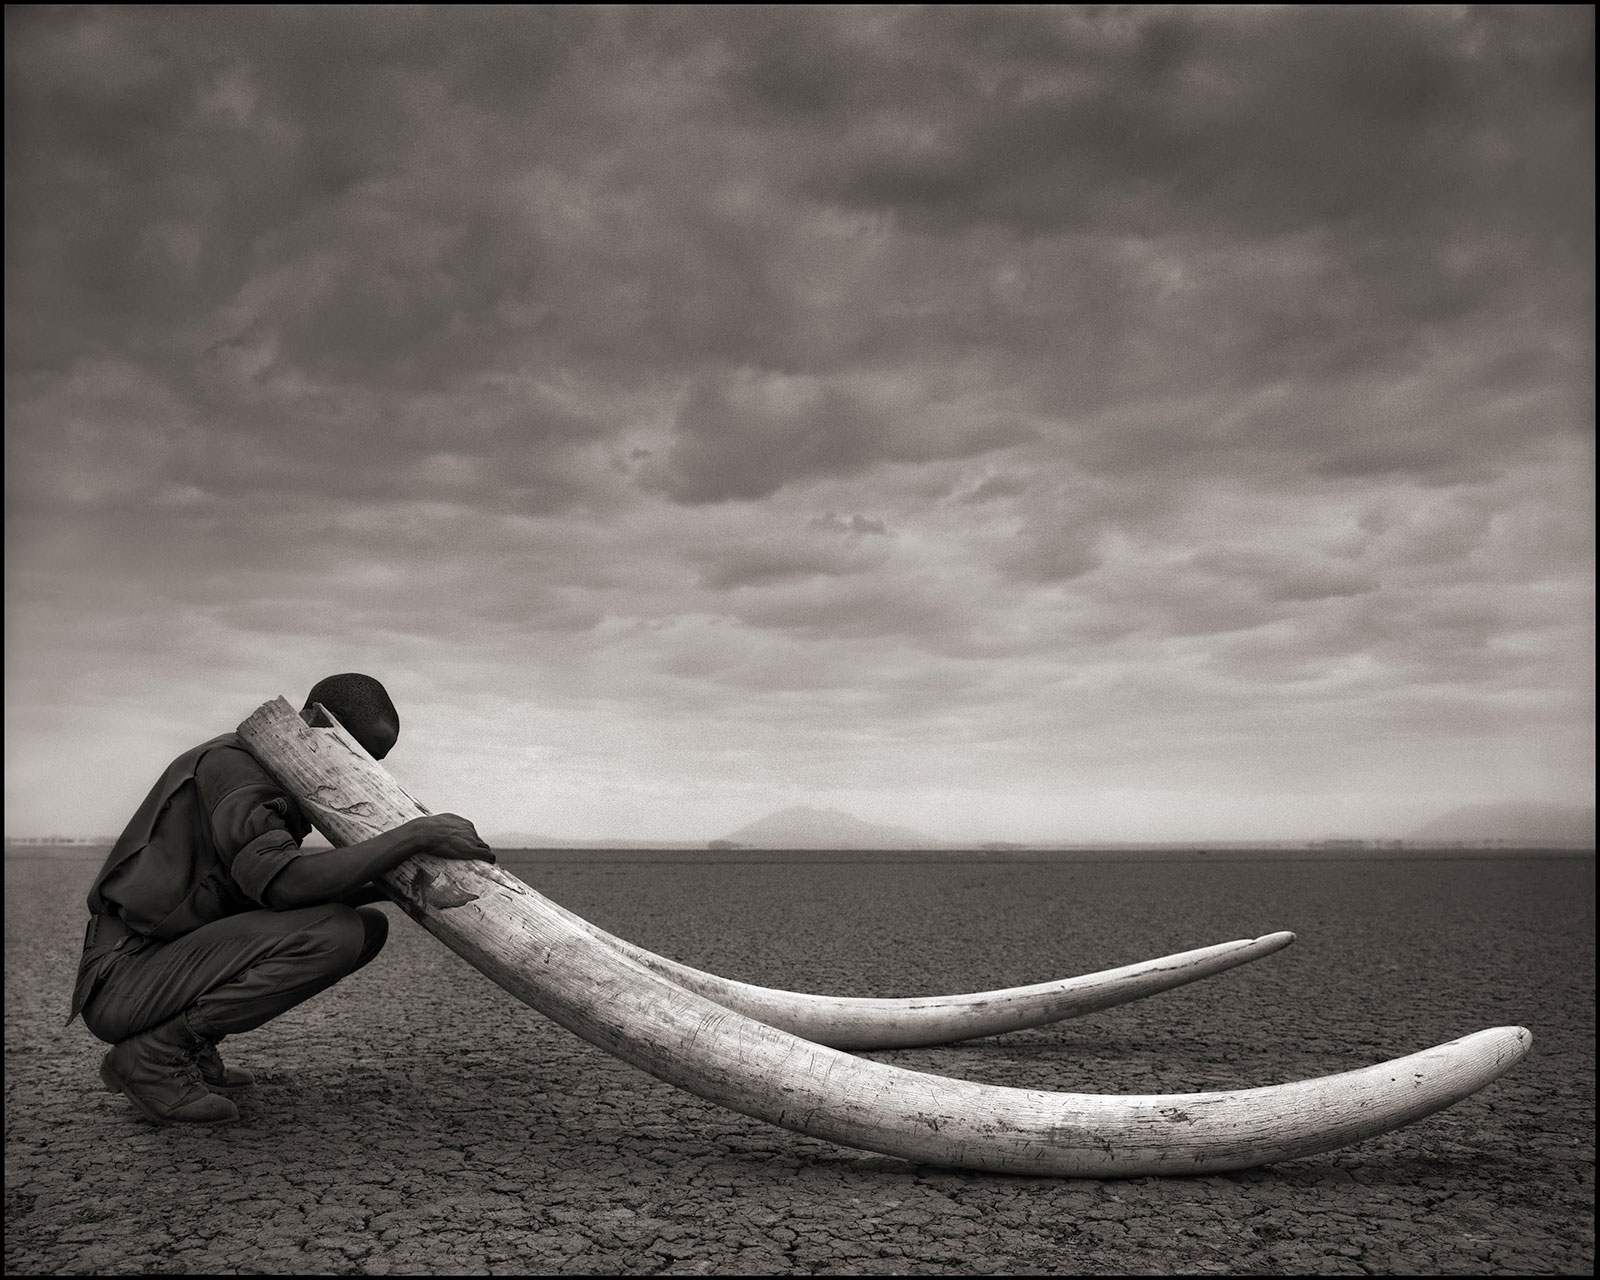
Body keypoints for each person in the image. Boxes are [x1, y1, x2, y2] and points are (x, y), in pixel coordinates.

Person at [70, 673, 494, 1126]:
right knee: (334, 933)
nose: (359, 771)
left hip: (162, 966)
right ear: (313, 721)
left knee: (368, 927)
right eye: (354, 752)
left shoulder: (264, 769)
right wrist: (415, 834)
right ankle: (154, 1056)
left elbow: (264, 895)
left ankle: (186, 1045)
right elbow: (284, 886)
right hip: (126, 977)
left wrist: (392, 887)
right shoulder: (236, 769)